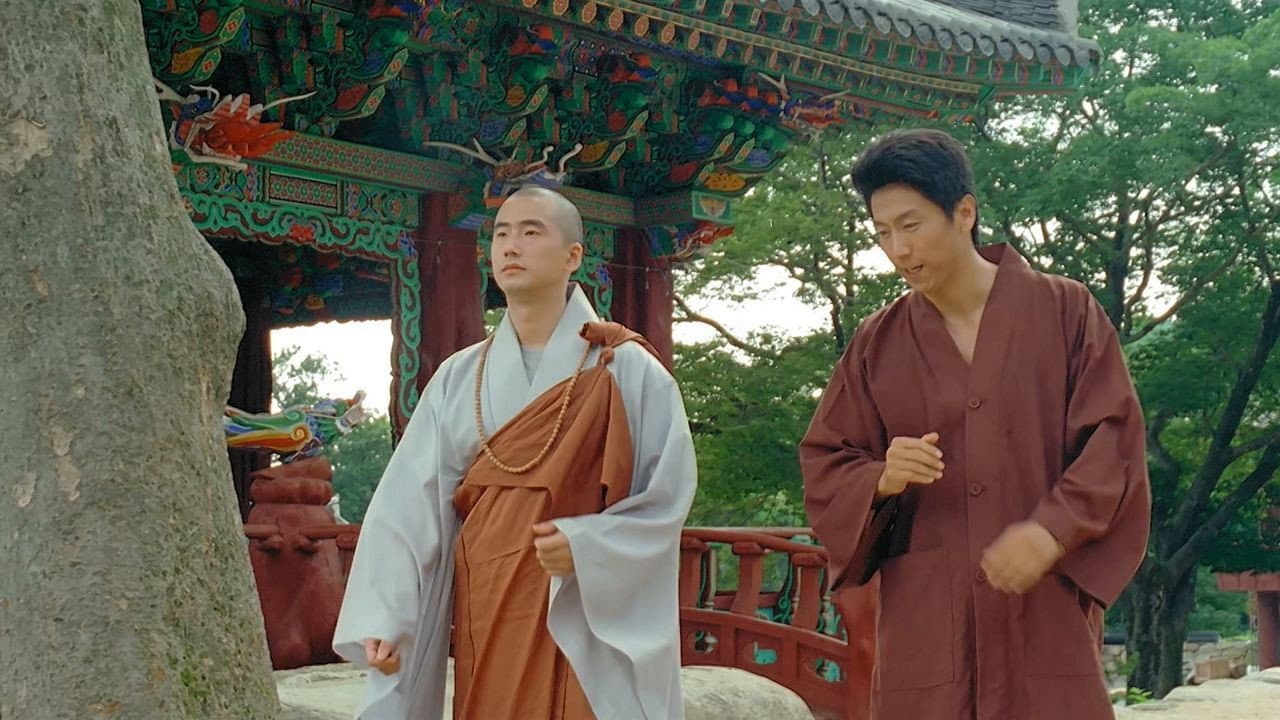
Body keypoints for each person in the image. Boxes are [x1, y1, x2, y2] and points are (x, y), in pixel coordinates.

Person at [800, 129, 1151, 719]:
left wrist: (1053, 529)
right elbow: (826, 461)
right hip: (928, 623)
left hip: (1042, 604)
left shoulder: (1065, 312)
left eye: (911, 226)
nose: (898, 249)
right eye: (882, 232)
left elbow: (1113, 441)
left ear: (964, 213)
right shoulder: (876, 344)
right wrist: (880, 478)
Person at [333, 186, 697, 719]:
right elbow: (410, 503)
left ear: (573, 256)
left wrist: (590, 547)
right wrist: (388, 613)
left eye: (531, 231)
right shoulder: (459, 376)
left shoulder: (627, 369)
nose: (510, 246)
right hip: (490, 592)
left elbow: (667, 497)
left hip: (582, 602)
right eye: (501, 233)